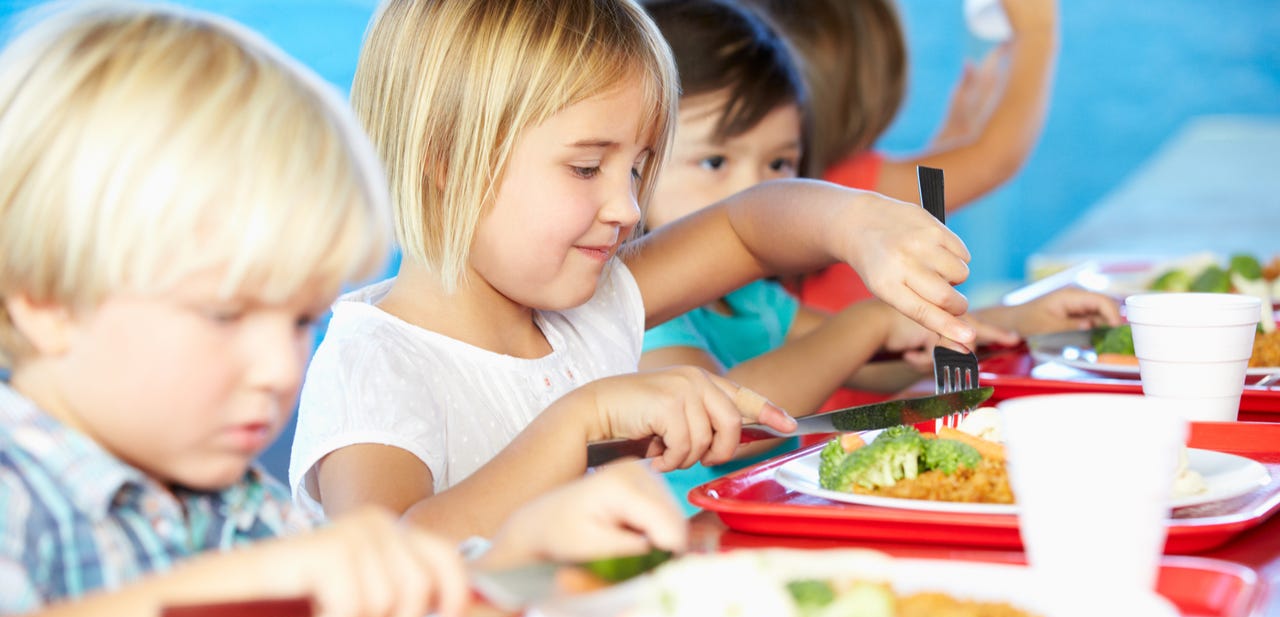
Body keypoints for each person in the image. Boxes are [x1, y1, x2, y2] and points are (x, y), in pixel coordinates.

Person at [0, 5, 690, 617]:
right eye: (224, 314)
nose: (280, 369)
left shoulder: (237, 506)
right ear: (46, 300)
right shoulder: (19, 497)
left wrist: (520, 565)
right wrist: (248, 589)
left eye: (300, 321)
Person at [291, 0, 978, 539]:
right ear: (445, 159)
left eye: (640, 168)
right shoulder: (374, 363)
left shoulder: (585, 309)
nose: (625, 206)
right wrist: (579, 421)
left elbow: (747, 228)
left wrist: (856, 224)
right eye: (587, 167)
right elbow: (391, 560)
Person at [636, 0, 1117, 509]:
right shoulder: (640, 313)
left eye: (779, 162)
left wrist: (1007, 321)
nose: (753, 188)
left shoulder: (752, 299)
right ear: (635, 161)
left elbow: (873, 364)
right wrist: (866, 325)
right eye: (715, 160)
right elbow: (733, 423)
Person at [744, 0, 1060, 312]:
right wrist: (1036, 33)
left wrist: (952, 142)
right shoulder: (844, 188)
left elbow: (918, 198)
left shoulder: (792, 186)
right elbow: (995, 160)